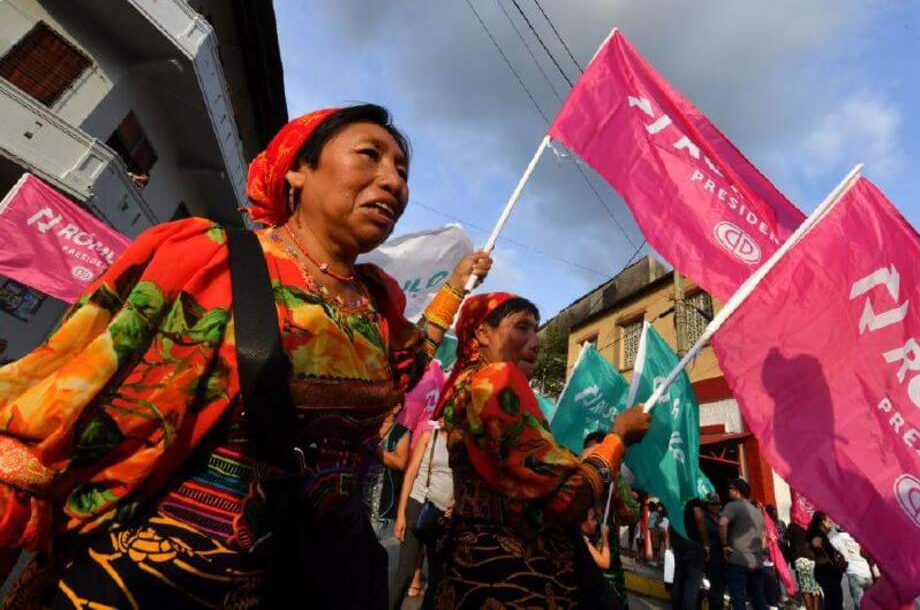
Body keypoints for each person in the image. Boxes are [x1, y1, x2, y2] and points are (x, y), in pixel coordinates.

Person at [0, 104, 492, 608]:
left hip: (311, 580)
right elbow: (59, 399)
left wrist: (454, 289)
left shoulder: (376, 303)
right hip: (160, 577)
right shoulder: (205, 257)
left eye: (402, 172)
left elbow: (405, 370)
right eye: (370, 156)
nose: (392, 182)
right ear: (298, 171)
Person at [432, 292, 650, 607]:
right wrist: (618, 439)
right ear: (482, 333)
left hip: (471, 572)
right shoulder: (496, 379)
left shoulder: (464, 387)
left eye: (536, 330)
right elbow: (566, 498)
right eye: (522, 328)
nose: (536, 342)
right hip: (517, 580)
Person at [391, 422, 453, 608]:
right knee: (405, 570)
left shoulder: (464, 443)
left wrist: (457, 502)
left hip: (444, 513)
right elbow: (410, 473)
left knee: (437, 575)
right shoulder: (429, 436)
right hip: (419, 504)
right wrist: (401, 514)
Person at [582, 431, 639, 609]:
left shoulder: (616, 479)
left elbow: (631, 516)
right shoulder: (578, 476)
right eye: (591, 452)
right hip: (580, 561)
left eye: (600, 452)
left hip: (609, 568)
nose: (595, 457)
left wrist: (615, 493)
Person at [719, 478, 768, 610]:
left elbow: (722, 523)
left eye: (730, 488)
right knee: (758, 599)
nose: (728, 491)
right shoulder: (758, 513)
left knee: (738, 598)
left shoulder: (732, 506)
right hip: (757, 562)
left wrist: (724, 545)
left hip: (738, 560)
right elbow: (764, 537)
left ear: (737, 491)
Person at [671, 497, 710, 610]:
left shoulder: (676, 498)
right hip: (693, 544)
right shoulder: (693, 498)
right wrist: (706, 544)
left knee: (679, 580)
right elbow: (699, 518)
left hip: (679, 542)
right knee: (691, 583)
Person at [807, 512, 847, 610]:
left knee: (830, 602)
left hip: (826, 575)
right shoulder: (818, 533)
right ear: (822, 522)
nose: (832, 524)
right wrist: (828, 559)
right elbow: (816, 544)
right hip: (828, 575)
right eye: (829, 521)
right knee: (835, 603)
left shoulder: (817, 533)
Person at [829, 526, 873, 608]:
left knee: (859, 603)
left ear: (837, 529)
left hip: (854, 573)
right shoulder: (856, 537)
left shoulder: (835, 540)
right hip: (867, 572)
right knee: (869, 603)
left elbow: (829, 552)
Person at [787, 522, 822, 610]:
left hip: (799, 559)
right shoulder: (809, 524)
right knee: (815, 587)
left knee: (805, 588)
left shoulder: (793, 526)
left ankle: (809, 608)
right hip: (812, 558)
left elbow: (785, 537)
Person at [703, 493, 726, 610]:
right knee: (715, 586)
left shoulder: (721, 517)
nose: (715, 506)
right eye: (712, 504)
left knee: (720, 586)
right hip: (712, 556)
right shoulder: (704, 518)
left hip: (723, 556)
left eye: (717, 504)